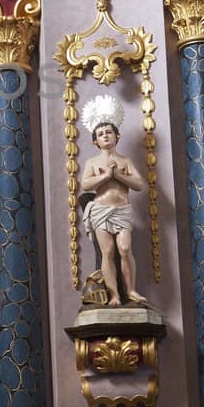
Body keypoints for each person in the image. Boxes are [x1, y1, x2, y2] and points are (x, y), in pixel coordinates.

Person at [79, 98, 147, 306]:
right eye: (100, 134)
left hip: (122, 210)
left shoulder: (125, 161)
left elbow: (139, 184)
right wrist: (106, 176)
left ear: (117, 136)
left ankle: (131, 290)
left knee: (125, 249)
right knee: (107, 252)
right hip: (101, 210)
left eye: (108, 132)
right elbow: (85, 184)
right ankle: (114, 294)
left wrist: (117, 175)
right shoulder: (92, 162)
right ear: (95, 141)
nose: (105, 136)